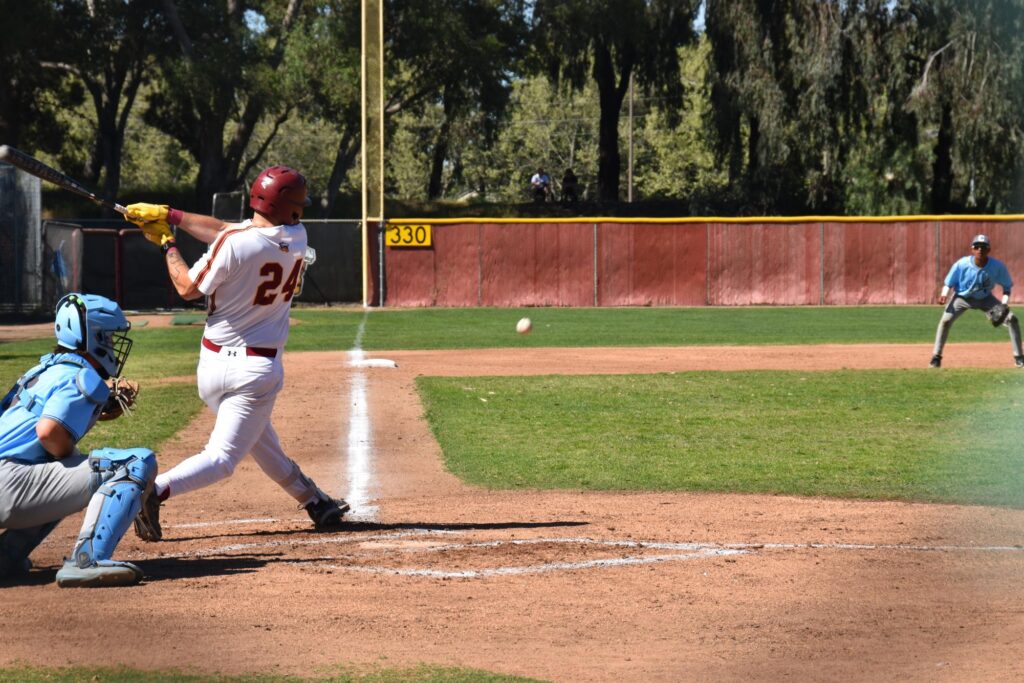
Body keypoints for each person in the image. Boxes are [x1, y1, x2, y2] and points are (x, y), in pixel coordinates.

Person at [122, 165, 349, 542]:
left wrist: (167, 242)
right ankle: (152, 490)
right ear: (289, 208)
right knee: (223, 460)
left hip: (212, 366)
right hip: (255, 371)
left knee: (260, 440)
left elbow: (188, 286)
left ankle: (314, 500)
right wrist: (169, 216)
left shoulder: (239, 241)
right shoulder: (295, 235)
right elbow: (227, 234)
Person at [0, 293, 157, 587]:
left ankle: (5, 557)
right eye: (107, 337)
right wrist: (71, 454)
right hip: (7, 486)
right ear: (92, 338)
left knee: (64, 469)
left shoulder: (41, 370)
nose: (111, 344)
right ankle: (89, 560)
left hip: (7, 478)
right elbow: (48, 433)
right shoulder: (82, 376)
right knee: (135, 463)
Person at [931, 233, 1024, 368]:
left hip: (985, 299)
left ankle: (1019, 357)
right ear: (972, 249)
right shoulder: (962, 264)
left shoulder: (997, 266)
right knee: (945, 321)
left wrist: (1003, 304)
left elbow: (1007, 287)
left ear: (989, 250)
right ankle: (936, 357)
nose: (980, 249)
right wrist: (944, 294)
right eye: (977, 246)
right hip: (962, 297)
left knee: (1012, 319)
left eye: (984, 247)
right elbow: (948, 283)